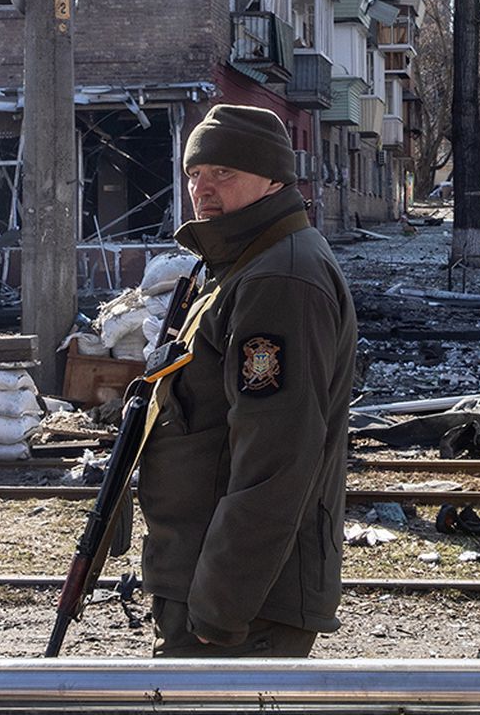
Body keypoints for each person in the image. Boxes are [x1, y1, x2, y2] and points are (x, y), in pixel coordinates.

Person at [138, 104, 358, 658]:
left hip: (246, 602)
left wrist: (221, 605)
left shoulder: (278, 277)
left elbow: (276, 458)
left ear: (274, 179)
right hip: (213, 579)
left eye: (224, 174)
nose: (203, 189)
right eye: (195, 174)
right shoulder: (241, 264)